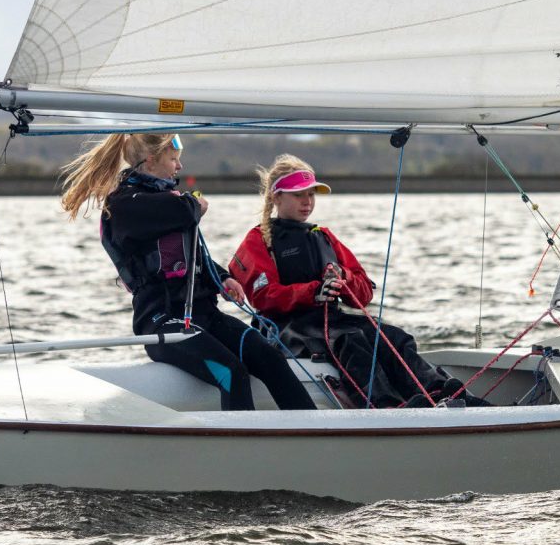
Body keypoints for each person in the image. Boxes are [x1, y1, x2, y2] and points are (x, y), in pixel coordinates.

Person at [60, 134, 316, 412]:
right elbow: (182, 209)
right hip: (162, 321)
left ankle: (314, 429)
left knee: (271, 357)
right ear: (150, 161)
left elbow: (190, 255)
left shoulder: (166, 200)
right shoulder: (125, 204)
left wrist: (222, 278)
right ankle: (240, 439)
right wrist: (195, 204)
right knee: (231, 372)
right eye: (173, 159)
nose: (179, 166)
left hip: (204, 316)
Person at [228, 154, 489, 409]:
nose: (307, 202)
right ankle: (385, 406)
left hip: (331, 321)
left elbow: (364, 293)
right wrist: (314, 291)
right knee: (351, 340)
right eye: (298, 195)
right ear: (276, 197)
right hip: (287, 328)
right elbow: (264, 296)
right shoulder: (257, 241)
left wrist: (344, 278)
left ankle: (440, 392)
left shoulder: (323, 236)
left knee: (392, 336)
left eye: (311, 194)